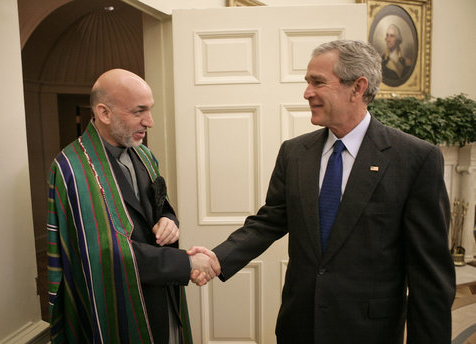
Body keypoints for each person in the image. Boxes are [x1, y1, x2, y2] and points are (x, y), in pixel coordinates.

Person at [189, 40, 455, 343]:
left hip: (369, 332)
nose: (307, 93)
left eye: (318, 82)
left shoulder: (414, 158)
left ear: (357, 87)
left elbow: (430, 275)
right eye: (307, 82)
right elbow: (270, 221)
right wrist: (218, 258)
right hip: (299, 325)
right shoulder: (294, 153)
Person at [47, 69, 219, 343]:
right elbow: (105, 250)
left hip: (161, 294)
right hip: (114, 303)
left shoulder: (144, 154)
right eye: (139, 112)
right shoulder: (72, 169)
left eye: (149, 110)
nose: (149, 121)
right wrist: (185, 263)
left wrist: (169, 221)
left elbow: (161, 205)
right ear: (104, 113)